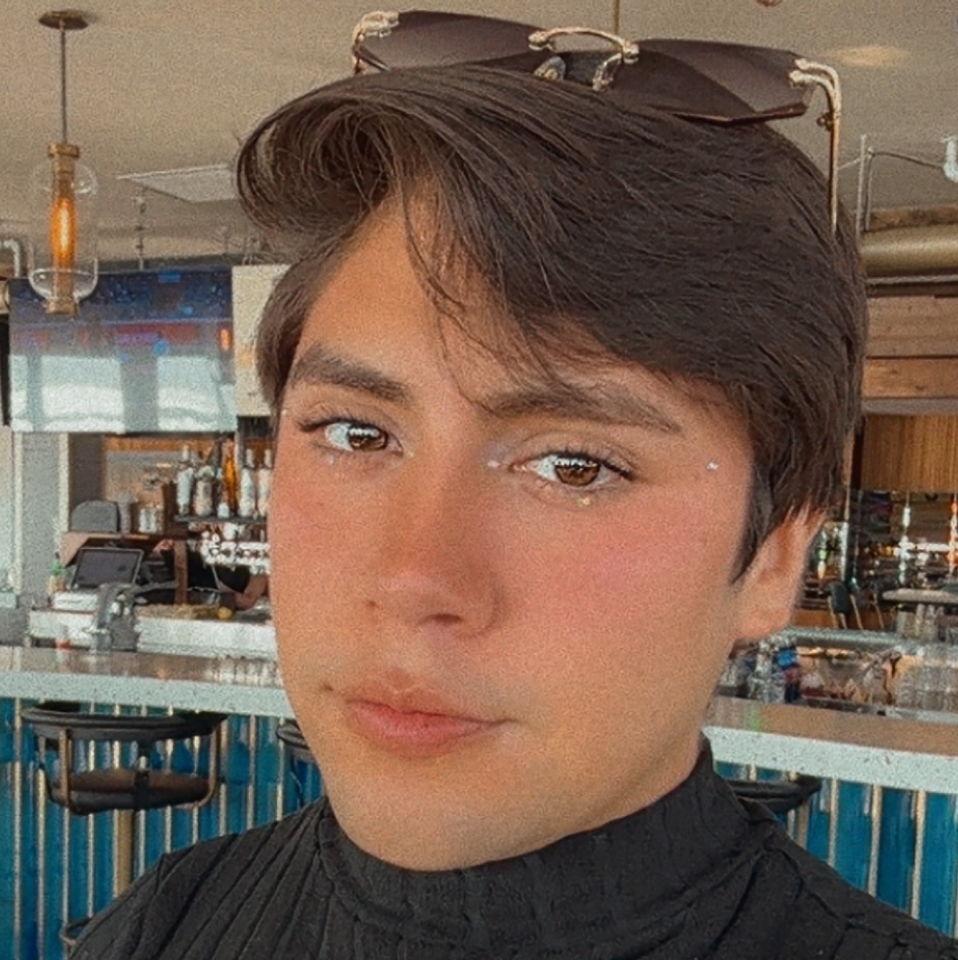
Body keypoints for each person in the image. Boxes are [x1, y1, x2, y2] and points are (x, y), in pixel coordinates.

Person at [74, 10, 958, 960]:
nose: (413, 581)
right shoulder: (168, 924)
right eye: (356, 433)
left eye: (575, 466)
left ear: (775, 553)